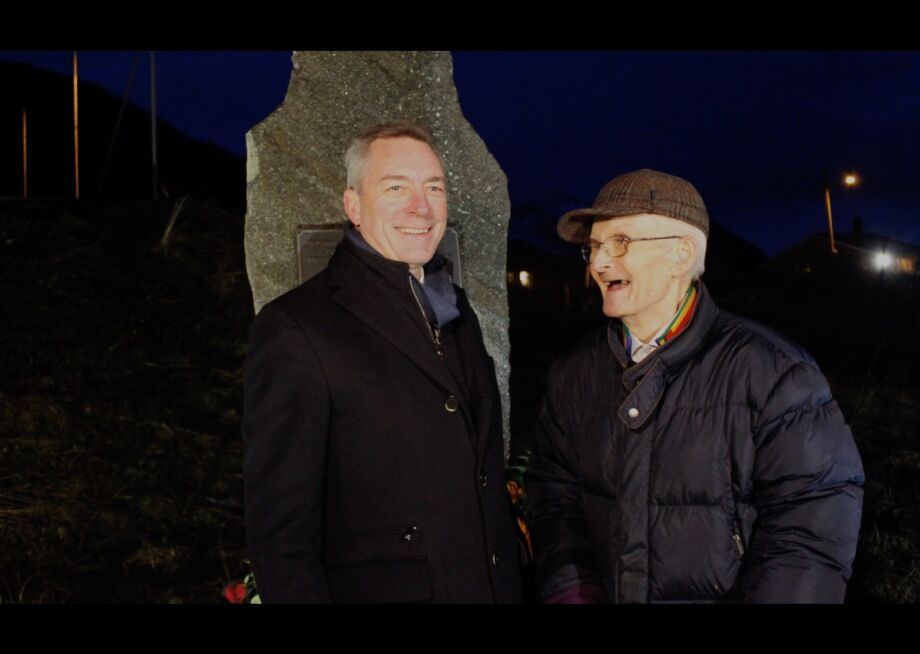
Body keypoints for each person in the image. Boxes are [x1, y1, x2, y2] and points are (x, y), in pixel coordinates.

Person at [525, 169, 865, 603]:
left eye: (620, 243)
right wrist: (571, 587)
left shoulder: (774, 372)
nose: (598, 263)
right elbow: (553, 494)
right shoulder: (572, 373)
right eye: (593, 248)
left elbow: (812, 531)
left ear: (681, 255)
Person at [242, 121, 521, 603]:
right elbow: (281, 536)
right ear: (353, 206)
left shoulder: (456, 311)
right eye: (396, 187)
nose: (422, 206)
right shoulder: (296, 329)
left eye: (434, 187)